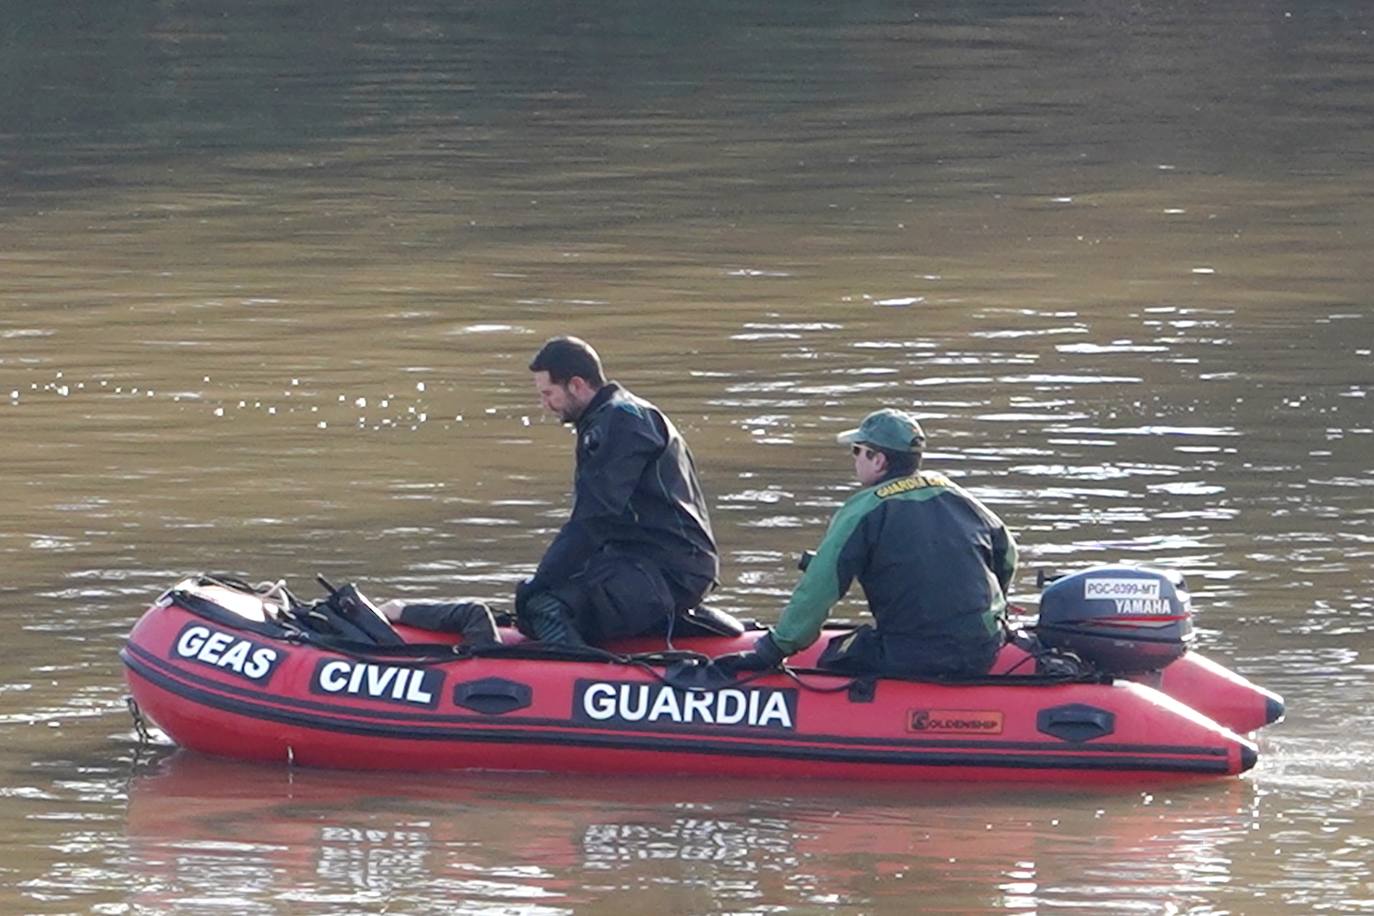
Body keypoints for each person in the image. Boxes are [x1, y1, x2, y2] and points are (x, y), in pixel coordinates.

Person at [713, 408, 1016, 678]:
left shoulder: (864, 509)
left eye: (858, 450)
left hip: (915, 655)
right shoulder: (956, 494)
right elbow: (1007, 554)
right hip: (983, 649)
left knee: (834, 660)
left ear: (879, 460)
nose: (855, 458)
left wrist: (773, 650)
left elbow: (818, 589)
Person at [517, 336, 719, 645]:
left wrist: (541, 582)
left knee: (543, 606)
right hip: (648, 563)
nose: (544, 405)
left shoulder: (620, 422)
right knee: (558, 588)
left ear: (576, 385)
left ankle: (572, 679)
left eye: (548, 394)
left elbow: (593, 520)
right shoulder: (615, 416)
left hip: (668, 571)